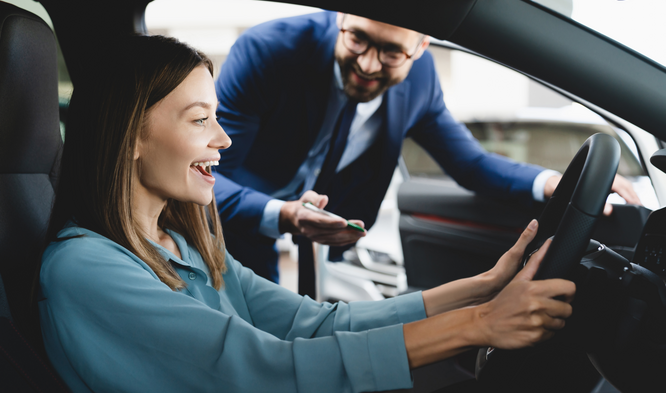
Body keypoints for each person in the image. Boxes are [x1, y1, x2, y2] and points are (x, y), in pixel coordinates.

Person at [39, 34, 576, 393]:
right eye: (199, 120)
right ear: (131, 133)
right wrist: (478, 325)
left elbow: (314, 326)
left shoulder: (186, 243)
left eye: (217, 118)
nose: (224, 140)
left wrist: (481, 287)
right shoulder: (85, 269)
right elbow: (266, 370)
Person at [212, 11, 641, 288]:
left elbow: (470, 164)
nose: (367, 64)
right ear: (341, 17)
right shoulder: (271, 50)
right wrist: (278, 214)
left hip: (315, 227)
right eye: (358, 39)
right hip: (225, 220)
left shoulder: (420, 82)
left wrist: (554, 182)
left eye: (391, 52)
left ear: (421, 48)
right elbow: (211, 173)